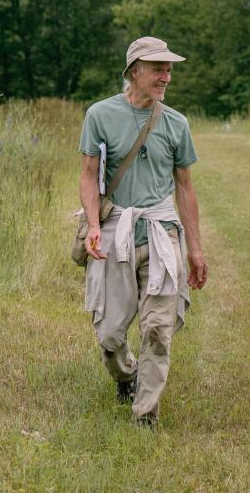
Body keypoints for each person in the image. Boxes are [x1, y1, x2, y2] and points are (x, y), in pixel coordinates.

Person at [79, 36, 208, 429]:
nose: (166, 76)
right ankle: (126, 375)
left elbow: (185, 187)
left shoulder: (175, 123)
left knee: (157, 329)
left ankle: (146, 411)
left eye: (169, 69)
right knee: (110, 334)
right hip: (116, 230)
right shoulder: (100, 115)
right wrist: (93, 226)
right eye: (158, 69)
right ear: (134, 71)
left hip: (160, 233)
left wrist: (196, 250)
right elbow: (87, 175)